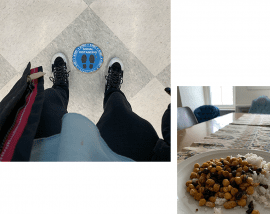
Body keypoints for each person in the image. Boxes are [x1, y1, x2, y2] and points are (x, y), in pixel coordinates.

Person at [30, 53, 170, 161]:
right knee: (118, 111)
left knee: (47, 103)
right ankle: (112, 90)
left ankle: (60, 86)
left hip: (37, 151)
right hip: (143, 157)